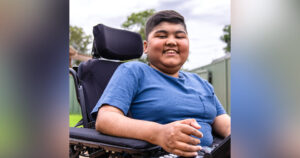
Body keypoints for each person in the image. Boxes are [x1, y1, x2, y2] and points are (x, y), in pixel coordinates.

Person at [91, 10, 231, 157]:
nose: (171, 41)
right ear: (146, 47)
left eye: (180, 36)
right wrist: (159, 133)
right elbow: (105, 119)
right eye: (162, 36)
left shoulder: (201, 83)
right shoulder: (134, 71)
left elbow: (224, 123)